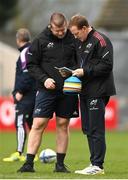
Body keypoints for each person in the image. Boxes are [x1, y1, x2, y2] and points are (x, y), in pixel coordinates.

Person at [17, 12, 79, 173]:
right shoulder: (40, 40)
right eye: (57, 30)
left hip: (68, 90)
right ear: (51, 26)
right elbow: (31, 65)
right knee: (38, 124)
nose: (60, 33)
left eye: (63, 29)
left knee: (63, 125)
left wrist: (74, 73)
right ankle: (28, 164)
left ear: (66, 25)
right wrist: (44, 79)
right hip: (46, 90)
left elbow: (79, 60)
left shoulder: (73, 38)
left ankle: (60, 165)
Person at [69, 14, 116, 175]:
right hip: (84, 91)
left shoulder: (101, 40)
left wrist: (84, 71)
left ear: (84, 28)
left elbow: (107, 65)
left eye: (76, 33)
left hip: (99, 90)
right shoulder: (79, 42)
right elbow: (79, 63)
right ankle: (93, 163)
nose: (75, 37)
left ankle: (98, 166)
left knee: (96, 128)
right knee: (87, 128)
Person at [3, 28, 37, 162]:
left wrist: (20, 92)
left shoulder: (25, 53)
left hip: (26, 95)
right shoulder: (32, 51)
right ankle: (32, 154)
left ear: (18, 40)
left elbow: (27, 74)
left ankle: (19, 153)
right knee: (31, 124)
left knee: (20, 122)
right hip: (34, 94)